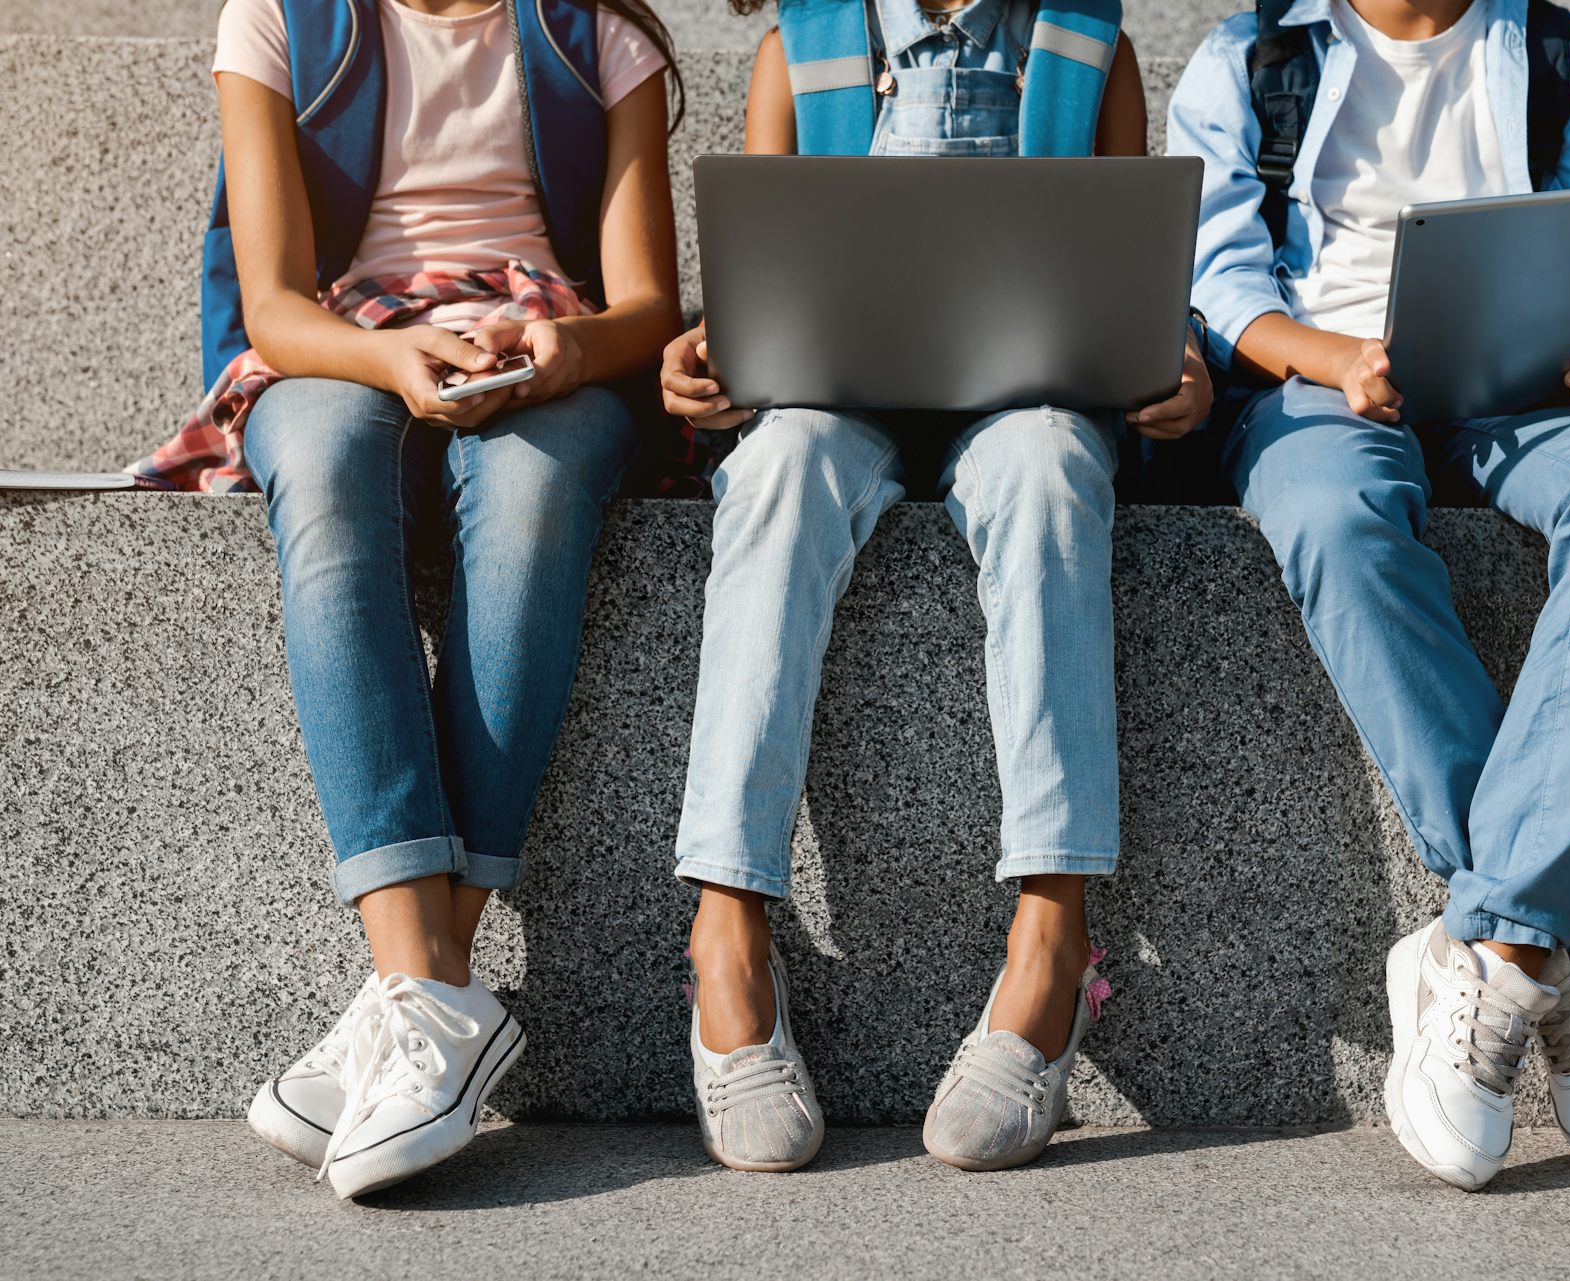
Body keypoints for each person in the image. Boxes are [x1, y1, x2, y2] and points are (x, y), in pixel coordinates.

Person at [141, 0, 691, 1198]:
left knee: (536, 499)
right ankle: (429, 980)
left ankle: (418, 1000)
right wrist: (396, 358)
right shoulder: (281, 25)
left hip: (546, 341)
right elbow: (278, 300)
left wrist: (562, 352)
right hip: (341, 343)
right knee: (330, 483)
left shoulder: (596, 35)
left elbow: (648, 306)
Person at [661, 0, 1211, 1173]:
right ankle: (726, 930)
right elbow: (763, 277)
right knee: (780, 473)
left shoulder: (1087, 46)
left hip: (1026, 399)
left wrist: (1179, 361)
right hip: (834, 400)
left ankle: (1053, 946)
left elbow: (1131, 276)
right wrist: (714, 355)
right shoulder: (794, 47)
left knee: (1055, 470)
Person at [1167, 0, 1570, 1190]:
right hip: (1319, 386)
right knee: (1326, 510)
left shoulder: (1561, 55)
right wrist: (1337, 360)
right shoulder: (1249, 57)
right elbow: (1219, 287)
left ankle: (1497, 942)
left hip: (1523, 388)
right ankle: (1562, 924)